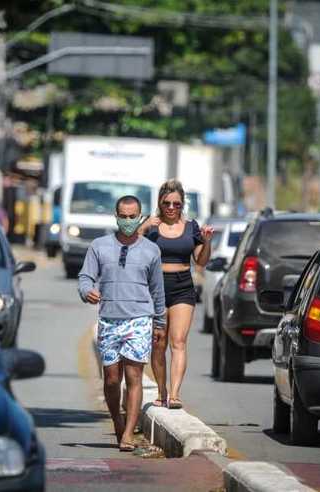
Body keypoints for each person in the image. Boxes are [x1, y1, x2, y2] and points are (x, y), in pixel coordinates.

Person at [77, 195, 165, 452]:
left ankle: (128, 434)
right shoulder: (99, 246)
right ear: (116, 217)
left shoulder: (151, 250)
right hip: (109, 320)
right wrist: (86, 291)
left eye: (132, 216)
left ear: (140, 217)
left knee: (133, 375)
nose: (128, 221)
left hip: (139, 320)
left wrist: (159, 324)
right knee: (112, 379)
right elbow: (85, 277)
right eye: (123, 216)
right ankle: (118, 420)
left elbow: (158, 290)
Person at [140, 179, 214, 410]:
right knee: (158, 342)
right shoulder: (150, 227)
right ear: (160, 203)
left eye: (177, 204)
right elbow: (131, 251)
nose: (172, 208)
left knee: (179, 342)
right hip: (156, 288)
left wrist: (207, 242)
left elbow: (200, 261)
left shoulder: (192, 227)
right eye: (167, 203)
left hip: (183, 285)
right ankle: (161, 391)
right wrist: (142, 228)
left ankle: (174, 394)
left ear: (182, 205)